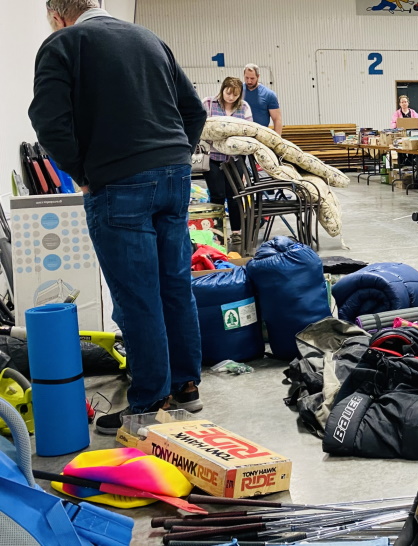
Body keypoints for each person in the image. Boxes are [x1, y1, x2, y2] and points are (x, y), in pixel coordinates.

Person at [30, 0, 206, 434]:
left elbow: (49, 122)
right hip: (174, 176)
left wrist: (83, 174)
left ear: (57, 15)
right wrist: (178, 156)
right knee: (174, 286)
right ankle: (186, 385)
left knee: (137, 295)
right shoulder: (149, 38)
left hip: (119, 182)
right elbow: (195, 110)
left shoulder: (63, 43)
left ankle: (149, 401)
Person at [202, 77, 252, 248]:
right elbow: (200, 126)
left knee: (235, 195)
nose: (231, 97)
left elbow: (248, 131)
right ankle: (217, 232)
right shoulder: (208, 103)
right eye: (228, 93)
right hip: (213, 158)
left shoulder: (244, 107)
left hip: (235, 159)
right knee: (217, 195)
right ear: (222, 89)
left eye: (235, 95)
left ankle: (236, 233)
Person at [243, 63, 283, 135]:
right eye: (246, 78)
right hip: (241, 135)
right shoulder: (237, 92)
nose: (249, 81)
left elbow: (277, 119)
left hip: (261, 135)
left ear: (258, 76)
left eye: (252, 78)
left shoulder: (269, 95)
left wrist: (277, 139)